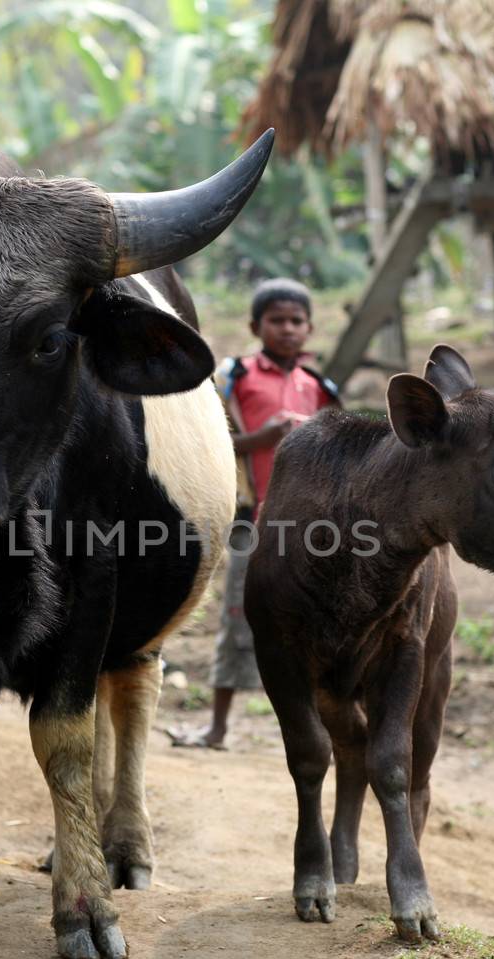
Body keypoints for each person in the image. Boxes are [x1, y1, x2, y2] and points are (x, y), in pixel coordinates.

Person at [172, 278, 340, 749]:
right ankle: (218, 726)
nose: (288, 329)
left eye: (296, 321)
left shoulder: (319, 387)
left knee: (317, 625)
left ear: (309, 328)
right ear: (255, 326)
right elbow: (211, 443)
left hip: (311, 528)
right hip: (253, 521)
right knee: (239, 617)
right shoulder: (235, 377)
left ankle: (323, 727)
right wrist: (261, 439)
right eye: (277, 321)